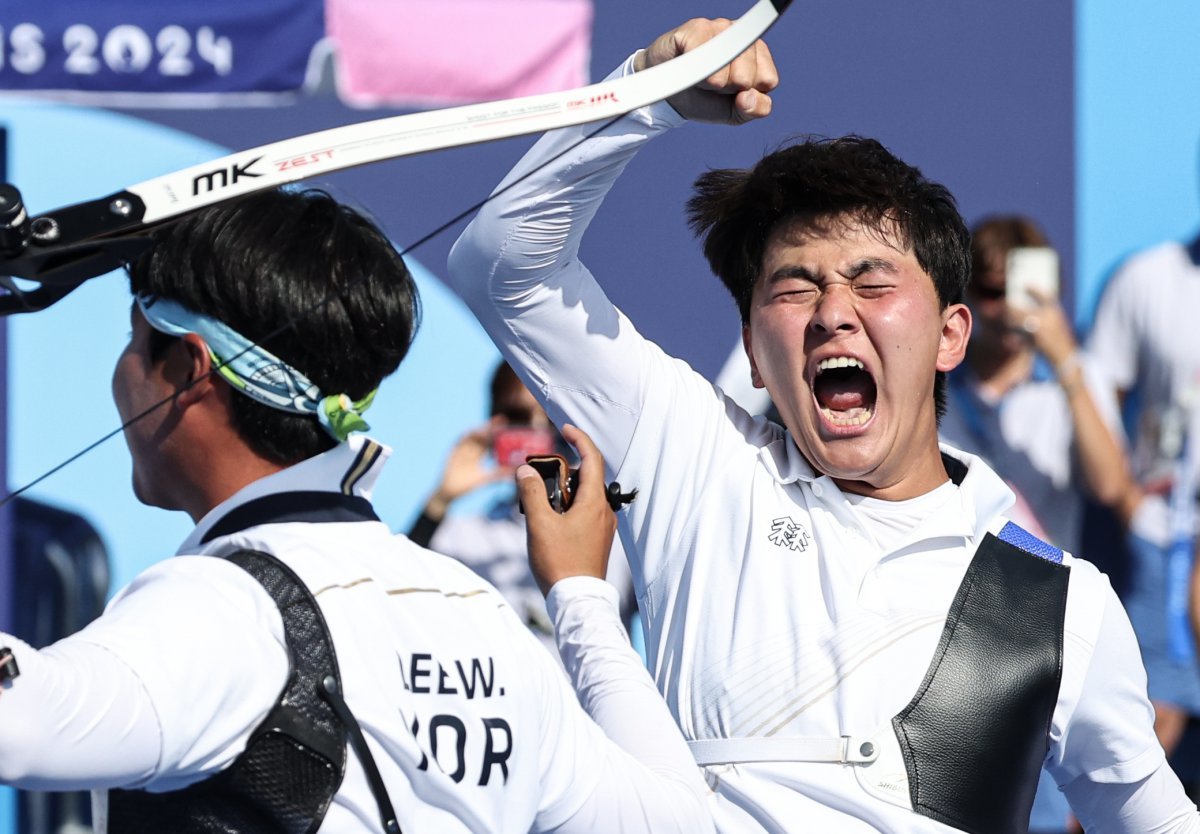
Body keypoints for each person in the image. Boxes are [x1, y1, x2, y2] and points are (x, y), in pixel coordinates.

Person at [447, 16, 1200, 833]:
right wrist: (646, 94)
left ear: (952, 333)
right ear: (752, 349)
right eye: (794, 287)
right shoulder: (697, 464)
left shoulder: (1062, 604)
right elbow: (503, 263)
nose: (833, 314)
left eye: (872, 284)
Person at [0, 188, 714, 833]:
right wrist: (582, 593)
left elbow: (19, 723)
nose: (121, 371)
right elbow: (675, 820)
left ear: (189, 369)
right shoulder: (477, 613)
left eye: (132, 342)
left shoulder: (223, 605)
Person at [409, 360, 637, 657]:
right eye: (518, 416)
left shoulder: (620, 531)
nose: (538, 430)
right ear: (495, 425)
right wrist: (439, 502)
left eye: (555, 417)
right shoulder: (461, 537)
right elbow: (392, 601)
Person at [941, 215, 1138, 557]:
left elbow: (1109, 488)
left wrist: (1064, 361)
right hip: (949, 576)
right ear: (964, 293)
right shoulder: (934, 376)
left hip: (1040, 584)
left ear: (1054, 291)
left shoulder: (1078, 376)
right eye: (992, 292)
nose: (1008, 311)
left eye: (1025, 293)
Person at [1086, 229, 1200, 762]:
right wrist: (1133, 501)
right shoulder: (1147, 277)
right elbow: (1098, 382)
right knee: (1156, 727)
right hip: (1168, 540)